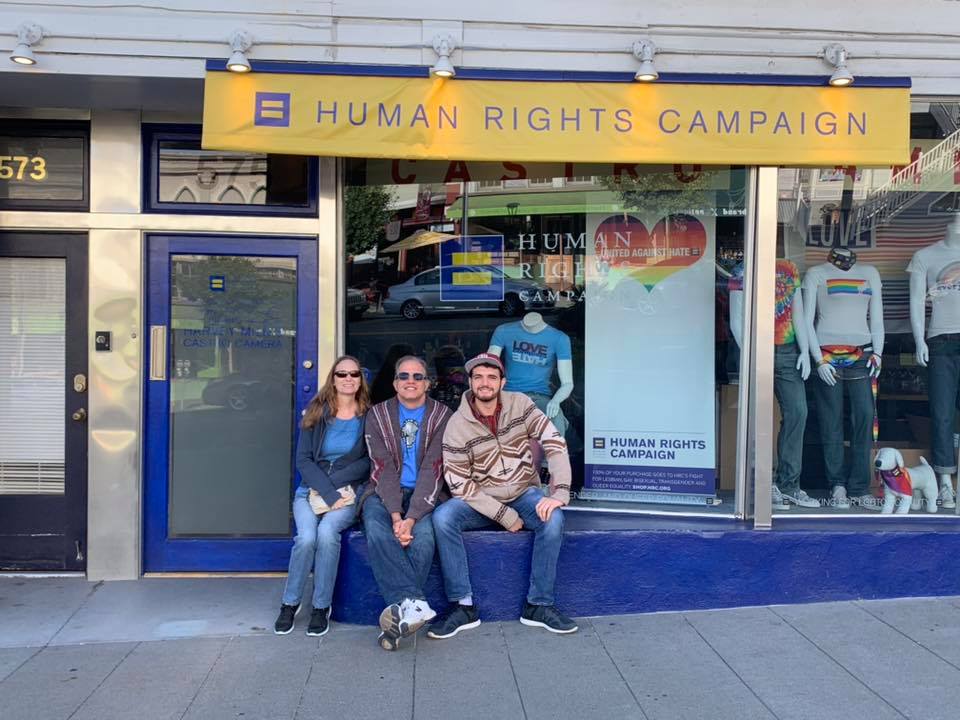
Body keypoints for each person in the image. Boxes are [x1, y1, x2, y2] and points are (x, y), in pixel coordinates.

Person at [428, 352, 578, 638]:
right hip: (481, 500)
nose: (485, 383)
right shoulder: (457, 425)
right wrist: (504, 516)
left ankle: (538, 605)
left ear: (502, 381)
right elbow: (459, 483)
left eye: (492, 377)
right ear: (470, 382)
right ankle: (463, 606)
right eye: (479, 377)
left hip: (524, 492)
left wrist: (559, 492)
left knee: (554, 519)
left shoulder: (520, 404)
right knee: (444, 517)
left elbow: (553, 440)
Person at [360, 355, 452, 650]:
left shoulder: (442, 415)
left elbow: (434, 468)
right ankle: (415, 605)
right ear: (394, 383)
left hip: (428, 493)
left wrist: (410, 519)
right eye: (403, 376)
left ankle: (399, 619)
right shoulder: (377, 415)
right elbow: (382, 465)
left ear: (428, 383)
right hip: (384, 493)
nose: (410, 381)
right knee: (376, 526)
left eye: (417, 376)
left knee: (424, 537)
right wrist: (396, 514)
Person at [274, 356, 370, 636]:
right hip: (309, 492)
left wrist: (332, 486)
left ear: (361, 380)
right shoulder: (316, 412)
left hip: (347, 494)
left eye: (355, 374)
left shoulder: (369, 415)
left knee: (328, 533)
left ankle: (320, 606)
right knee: (306, 539)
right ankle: (290, 603)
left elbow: (367, 461)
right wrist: (325, 490)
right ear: (333, 378)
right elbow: (303, 460)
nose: (349, 379)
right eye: (342, 374)